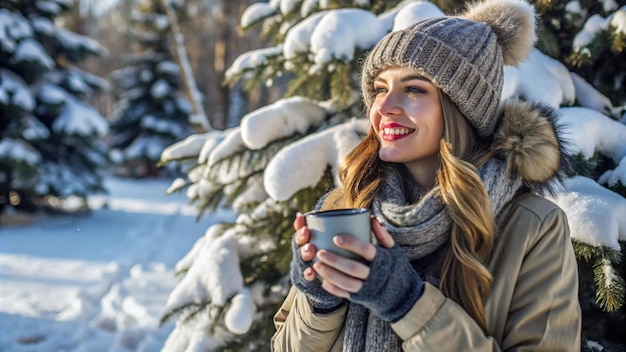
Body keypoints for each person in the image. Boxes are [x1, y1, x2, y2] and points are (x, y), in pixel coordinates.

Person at [271, 0, 582, 350]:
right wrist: (319, 302)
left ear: (462, 109)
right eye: (379, 89)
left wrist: (408, 304)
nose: (384, 108)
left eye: (414, 89)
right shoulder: (344, 205)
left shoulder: (532, 228)